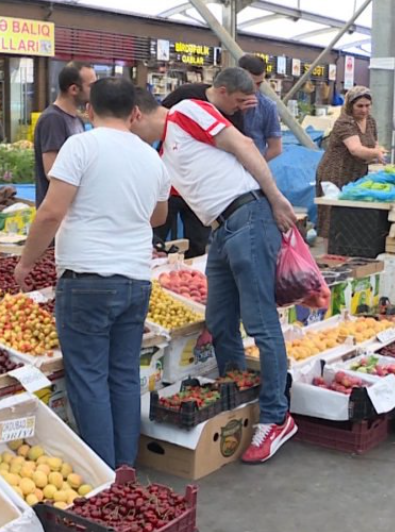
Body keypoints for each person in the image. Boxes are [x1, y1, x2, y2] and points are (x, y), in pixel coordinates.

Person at [131, 80, 299, 464]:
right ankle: (237, 396)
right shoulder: (163, 154)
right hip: (222, 230)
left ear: (135, 115)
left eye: (129, 129)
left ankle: (276, 417)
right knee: (220, 321)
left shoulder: (186, 112)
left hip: (249, 215)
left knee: (260, 322)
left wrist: (275, 198)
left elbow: (242, 145)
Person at [14, 78, 169, 468]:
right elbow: (159, 216)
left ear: (88, 110)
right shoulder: (152, 157)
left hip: (87, 280)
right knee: (122, 375)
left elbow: (51, 212)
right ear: (135, 113)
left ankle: (104, 477)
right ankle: (124, 468)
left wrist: (27, 262)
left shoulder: (80, 145)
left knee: (89, 379)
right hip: (135, 280)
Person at [155, 68, 256, 258]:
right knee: (157, 235)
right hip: (171, 181)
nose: (241, 106)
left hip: (201, 189)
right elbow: (160, 120)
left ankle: (190, 276)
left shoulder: (234, 113)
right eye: (239, 100)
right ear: (223, 91)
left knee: (198, 241)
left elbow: (239, 148)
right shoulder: (186, 96)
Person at [314, 86, 386, 236]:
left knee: (353, 215)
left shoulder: (370, 121)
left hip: (357, 173)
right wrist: (376, 154)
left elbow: (374, 143)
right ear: (350, 106)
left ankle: (349, 248)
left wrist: (378, 150)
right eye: (360, 106)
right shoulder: (344, 123)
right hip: (336, 172)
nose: (364, 110)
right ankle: (329, 252)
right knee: (333, 215)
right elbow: (355, 149)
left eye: (367, 106)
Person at [33, 61, 97, 207]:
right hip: (57, 212)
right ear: (74, 89)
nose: (96, 91)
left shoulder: (77, 120)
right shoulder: (53, 120)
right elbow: (52, 172)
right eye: (91, 86)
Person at [238, 55, 283, 161]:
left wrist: (256, 166)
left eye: (259, 83)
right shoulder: (224, 100)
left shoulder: (267, 106)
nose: (254, 88)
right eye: (250, 83)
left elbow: (276, 148)